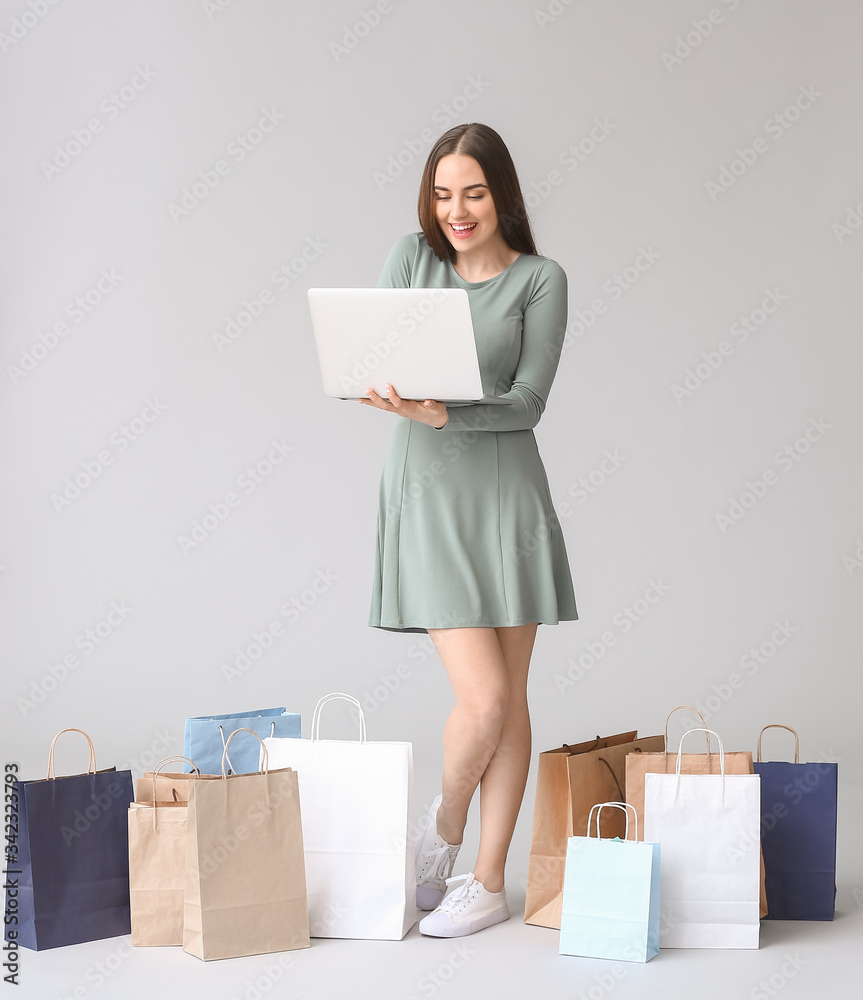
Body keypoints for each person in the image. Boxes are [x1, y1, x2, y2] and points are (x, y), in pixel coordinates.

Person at [359, 123, 578, 937]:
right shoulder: (410, 261)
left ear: (503, 196)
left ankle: (486, 883)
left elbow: (529, 402)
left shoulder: (540, 280)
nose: (457, 210)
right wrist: (386, 390)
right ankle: (444, 827)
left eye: (474, 193)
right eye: (444, 193)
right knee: (481, 699)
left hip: (508, 496)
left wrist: (447, 409)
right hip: (427, 492)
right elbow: (368, 357)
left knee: (510, 699)